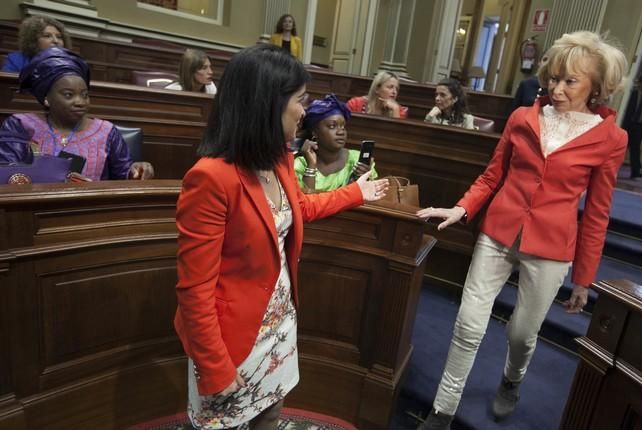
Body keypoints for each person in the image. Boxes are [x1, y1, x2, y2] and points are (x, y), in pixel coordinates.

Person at [416, 31, 628, 430]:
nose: (556, 88)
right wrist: (461, 208)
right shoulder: (522, 117)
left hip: (550, 246)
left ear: (596, 87)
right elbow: (492, 175)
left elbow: (598, 212)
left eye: (570, 81)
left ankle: (511, 380)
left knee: (522, 333)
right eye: (554, 77)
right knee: (468, 323)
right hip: (498, 233)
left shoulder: (611, 139)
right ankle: (442, 410)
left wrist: (584, 279)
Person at [173, 44, 388, 430]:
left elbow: (298, 209)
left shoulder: (278, 157)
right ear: (266, 104)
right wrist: (215, 366)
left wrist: (357, 193)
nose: (305, 111)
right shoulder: (211, 178)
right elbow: (195, 289)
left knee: (270, 414)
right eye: (300, 100)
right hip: (232, 338)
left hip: (278, 322)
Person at [0, 47, 154, 181]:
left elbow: (123, 173)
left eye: (85, 95)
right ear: (46, 98)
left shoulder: (107, 132)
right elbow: (8, 172)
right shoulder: (20, 125)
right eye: (68, 95)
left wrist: (136, 169)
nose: (80, 102)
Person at [294, 94, 378, 192]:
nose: (341, 132)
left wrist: (363, 179)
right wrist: (311, 166)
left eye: (343, 126)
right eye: (332, 126)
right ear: (315, 132)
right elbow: (305, 202)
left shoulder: (357, 160)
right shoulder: (300, 165)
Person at [1, 15, 72, 73]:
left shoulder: (71, 62)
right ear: (33, 40)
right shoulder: (16, 60)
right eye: (47, 36)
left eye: (59, 37)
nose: (56, 41)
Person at [621, 73, 642, 178]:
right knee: (621, 148)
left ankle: (635, 172)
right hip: (627, 125)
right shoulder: (631, 95)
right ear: (640, 83)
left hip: (639, 127)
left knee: (636, 149)